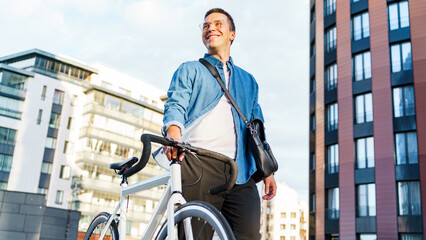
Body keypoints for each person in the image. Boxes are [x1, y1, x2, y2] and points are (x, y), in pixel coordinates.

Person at [161, 8, 277, 239]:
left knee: (249, 235)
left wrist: (267, 172)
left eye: (217, 24)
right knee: (194, 235)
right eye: (205, 26)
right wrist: (173, 135)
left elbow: (256, 127)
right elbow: (176, 104)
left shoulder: (249, 81)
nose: (210, 28)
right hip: (198, 164)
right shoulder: (190, 69)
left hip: (240, 171)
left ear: (232, 34)